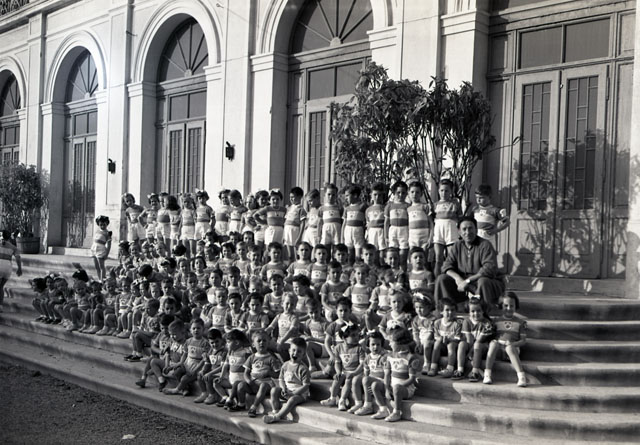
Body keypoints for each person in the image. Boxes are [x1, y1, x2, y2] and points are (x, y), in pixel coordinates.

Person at [434, 216, 505, 312]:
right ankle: (445, 310)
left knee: (483, 281)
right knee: (442, 278)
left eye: (470, 228)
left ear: (476, 230)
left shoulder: (485, 245)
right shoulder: (457, 245)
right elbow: (446, 266)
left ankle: (482, 312)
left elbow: (488, 269)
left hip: (484, 282)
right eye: (464, 229)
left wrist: (467, 281)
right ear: (459, 232)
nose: (467, 232)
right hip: (463, 280)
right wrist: (458, 279)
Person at [484, 292, 528, 387]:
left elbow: (523, 341)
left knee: (509, 348)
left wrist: (513, 344)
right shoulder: (495, 321)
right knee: (493, 344)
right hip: (498, 350)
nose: (509, 308)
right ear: (501, 306)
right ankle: (487, 374)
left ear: (516, 306)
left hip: (512, 350)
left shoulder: (520, 322)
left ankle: (521, 376)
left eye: (511, 306)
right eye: (506, 305)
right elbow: (490, 336)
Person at [263, 337, 311, 424]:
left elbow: (306, 386)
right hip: (287, 391)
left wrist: (293, 393)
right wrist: (283, 388)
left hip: (299, 394)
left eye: (299, 352)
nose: (295, 353)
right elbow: (281, 379)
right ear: (289, 351)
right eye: (293, 350)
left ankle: (277, 416)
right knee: (274, 390)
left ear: (304, 354)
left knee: (292, 400)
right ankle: (275, 411)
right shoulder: (285, 365)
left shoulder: (303, 368)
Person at [432, 179, 463, 276]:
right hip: (439, 232)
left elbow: (460, 219)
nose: (444, 193)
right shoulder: (435, 205)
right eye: (442, 190)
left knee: (452, 257)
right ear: (438, 191)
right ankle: (437, 280)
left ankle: (452, 279)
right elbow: (432, 220)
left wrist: (460, 233)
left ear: (451, 191)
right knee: (438, 258)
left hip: (451, 231)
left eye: (446, 190)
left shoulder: (455, 204)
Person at [0, 230, 22, 311]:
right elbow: (18, 258)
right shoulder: (13, 247)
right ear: (10, 237)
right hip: (7, 266)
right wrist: (19, 268)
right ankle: (0, 305)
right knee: (1, 287)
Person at [90, 216, 111, 282]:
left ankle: (102, 280)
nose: (102, 226)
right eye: (100, 225)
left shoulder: (108, 233)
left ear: (107, 224)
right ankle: (99, 279)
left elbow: (109, 245)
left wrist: (106, 254)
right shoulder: (97, 231)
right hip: (94, 248)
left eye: (104, 224)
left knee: (101, 266)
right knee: (96, 266)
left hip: (101, 249)